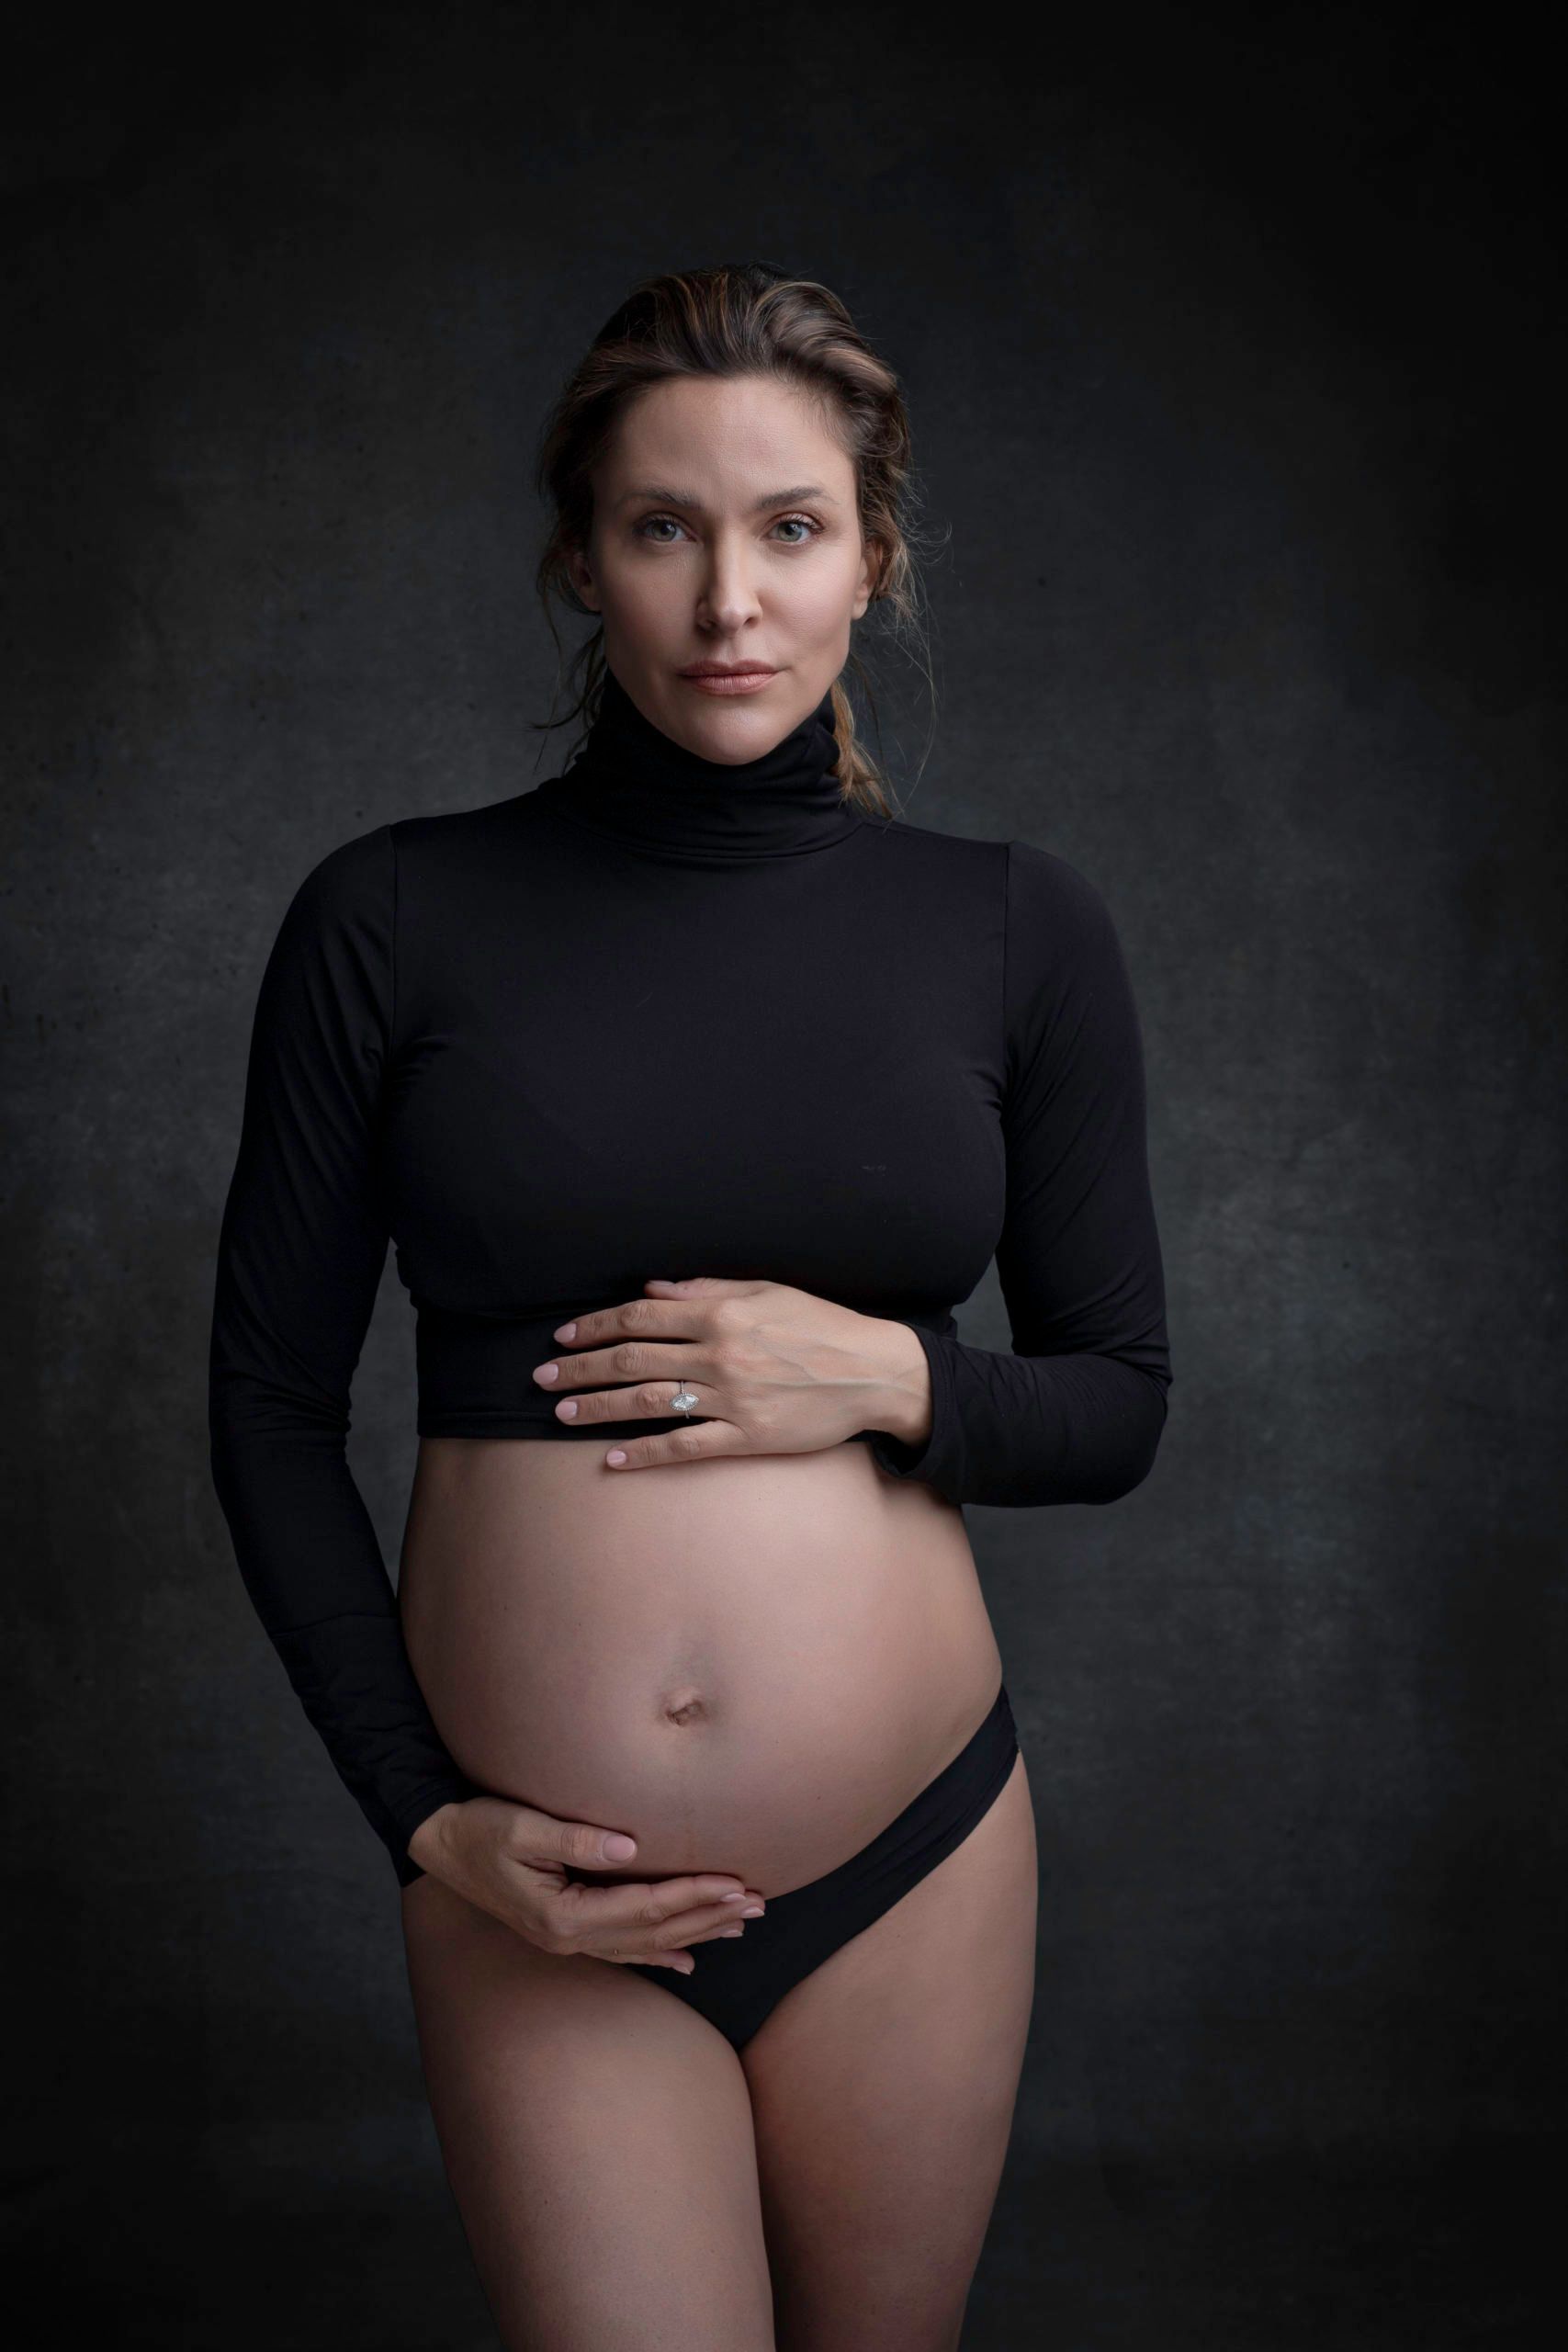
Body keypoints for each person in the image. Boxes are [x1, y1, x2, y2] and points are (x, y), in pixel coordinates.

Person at [208, 259, 1172, 2352]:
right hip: (537, 1882)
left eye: (788, 528)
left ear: (868, 560)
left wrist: (887, 1370)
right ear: (582, 560)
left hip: (909, 1858)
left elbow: (1117, 1400)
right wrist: (426, 1818)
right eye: (663, 529)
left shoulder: (1009, 929)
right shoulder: (390, 918)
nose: (727, 598)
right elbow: (269, 1407)